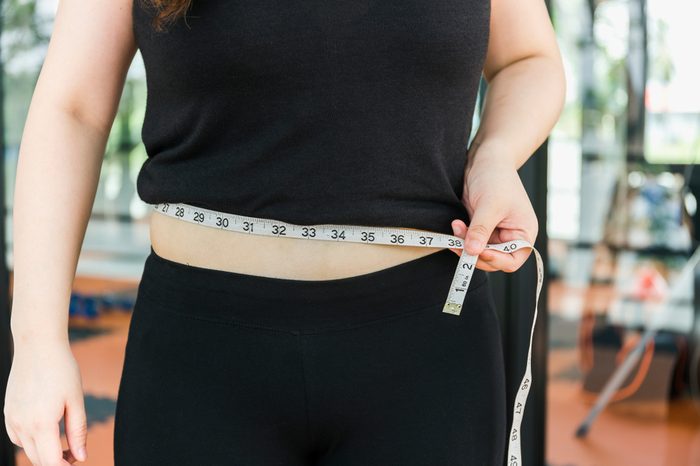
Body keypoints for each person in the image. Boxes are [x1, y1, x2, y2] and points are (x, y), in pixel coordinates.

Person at [4, 0, 565, 464]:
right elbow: (72, 108)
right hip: (199, 361)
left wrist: (493, 156)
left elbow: (528, 58)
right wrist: (36, 342)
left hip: (426, 348)